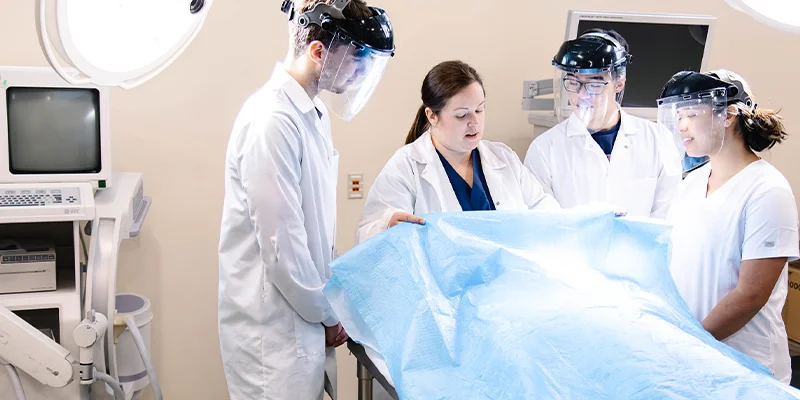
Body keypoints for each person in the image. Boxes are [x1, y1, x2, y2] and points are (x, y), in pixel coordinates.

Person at [217, 0, 395, 398]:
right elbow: (283, 247)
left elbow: (311, 226)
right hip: (274, 337)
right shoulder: (272, 121)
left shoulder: (310, 113)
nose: (362, 71)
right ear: (318, 51)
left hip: (302, 323)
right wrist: (329, 312)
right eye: (358, 58)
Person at [660, 69, 799, 383]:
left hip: (747, 368)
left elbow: (750, 295)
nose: (681, 125)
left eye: (692, 114)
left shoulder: (766, 191)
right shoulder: (691, 184)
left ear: (728, 114)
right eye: (679, 115)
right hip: (694, 363)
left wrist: (692, 342)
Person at [356, 60, 559, 244]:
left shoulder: (504, 158)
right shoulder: (406, 166)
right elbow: (367, 235)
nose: (474, 122)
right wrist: (386, 227)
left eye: (479, 110)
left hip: (506, 281)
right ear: (432, 116)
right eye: (461, 116)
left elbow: (545, 212)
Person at [524, 29, 682, 218]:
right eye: (573, 83)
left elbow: (667, 219)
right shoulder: (544, 150)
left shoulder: (657, 140)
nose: (582, 95)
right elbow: (541, 223)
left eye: (594, 84)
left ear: (619, 83)